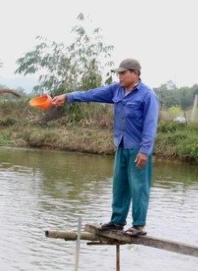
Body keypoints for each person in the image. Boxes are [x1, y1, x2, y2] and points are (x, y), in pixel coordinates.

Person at [51, 58, 159, 237]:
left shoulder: (147, 95)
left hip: (138, 149)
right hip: (122, 145)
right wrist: (68, 97)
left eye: (123, 73)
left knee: (139, 187)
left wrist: (144, 151)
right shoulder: (116, 90)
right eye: (119, 73)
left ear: (135, 73)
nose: (120, 76)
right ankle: (117, 222)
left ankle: (139, 225)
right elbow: (91, 94)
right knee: (120, 185)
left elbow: (150, 125)